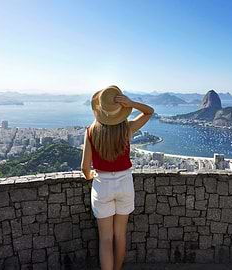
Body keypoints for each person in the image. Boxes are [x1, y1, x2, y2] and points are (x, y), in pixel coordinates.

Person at [81, 85, 154, 270]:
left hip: (102, 185)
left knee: (105, 239)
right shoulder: (126, 129)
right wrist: (131, 103)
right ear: (120, 110)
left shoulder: (91, 131)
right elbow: (149, 112)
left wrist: (91, 175)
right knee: (120, 235)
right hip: (124, 183)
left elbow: (84, 168)